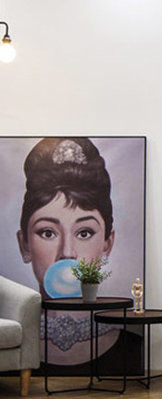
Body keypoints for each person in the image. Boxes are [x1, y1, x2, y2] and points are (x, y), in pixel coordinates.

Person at [16, 137, 120, 368]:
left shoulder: (130, 348)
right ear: (24, 245)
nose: (67, 252)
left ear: (107, 244)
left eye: (84, 233)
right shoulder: (11, 343)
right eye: (47, 233)